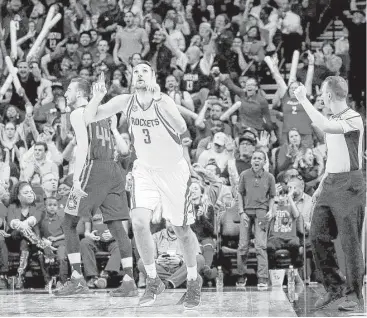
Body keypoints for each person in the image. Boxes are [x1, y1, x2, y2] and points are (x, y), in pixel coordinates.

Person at [85, 61, 202, 309]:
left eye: (144, 71)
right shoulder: (125, 101)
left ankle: (193, 280)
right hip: (145, 170)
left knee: (182, 230)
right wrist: (97, 97)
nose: (139, 74)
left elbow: (182, 128)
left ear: (153, 76)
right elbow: (90, 117)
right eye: (135, 71)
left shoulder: (163, 101)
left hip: (173, 170)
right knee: (138, 222)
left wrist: (161, 101)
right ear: (131, 77)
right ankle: (152, 279)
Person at [54, 75, 136, 298]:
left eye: (69, 90)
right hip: (113, 169)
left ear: (80, 93)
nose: (66, 94)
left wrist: (78, 179)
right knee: (117, 227)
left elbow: (82, 148)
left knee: (69, 222)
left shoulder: (77, 113)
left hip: (94, 169)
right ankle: (129, 280)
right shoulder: (104, 113)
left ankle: (77, 279)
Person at [294, 76, 365, 312]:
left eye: (322, 92)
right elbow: (333, 158)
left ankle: (355, 294)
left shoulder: (353, 118)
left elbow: (323, 125)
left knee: (350, 241)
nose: (320, 95)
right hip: (331, 181)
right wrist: (319, 189)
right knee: (317, 235)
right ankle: (334, 287)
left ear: (328, 95)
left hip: (349, 184)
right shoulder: (333, 119)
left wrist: (303, 99)